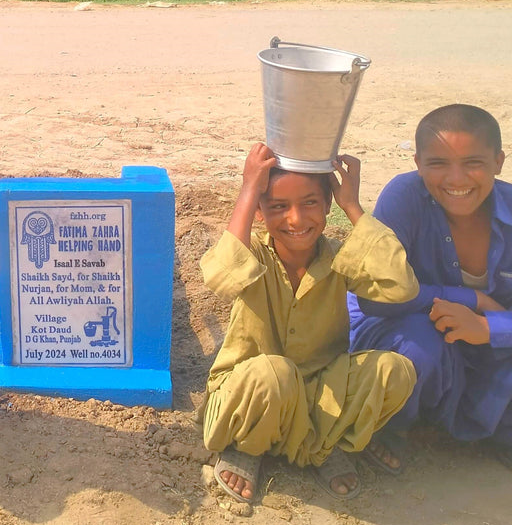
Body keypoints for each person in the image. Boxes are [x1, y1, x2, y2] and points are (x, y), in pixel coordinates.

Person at [201, 143, 418, 504]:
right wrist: (248, 188)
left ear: (328, 205)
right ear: (259, 211)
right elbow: (221, 277)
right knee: (275, 373)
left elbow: (400, 286)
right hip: (254, 392)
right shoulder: (253, 253)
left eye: (310, 203)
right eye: (278, 207)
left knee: (395, 370)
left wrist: (353, 206)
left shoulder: (340, 258)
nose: (297, 220)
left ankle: (317, 447)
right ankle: (248, 446)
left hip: (319, 397)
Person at [350, 104, 512, 471]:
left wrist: (487, 328)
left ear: (498, 161)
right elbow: (375, 297)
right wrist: (471, 298)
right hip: (403, 326)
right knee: (419, 339)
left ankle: (491, 429)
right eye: (438, 163)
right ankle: (391, 425)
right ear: (418, 163)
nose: (456, 179)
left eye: (473, 162)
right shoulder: (404, 197)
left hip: (482, 342)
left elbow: (496, 326)